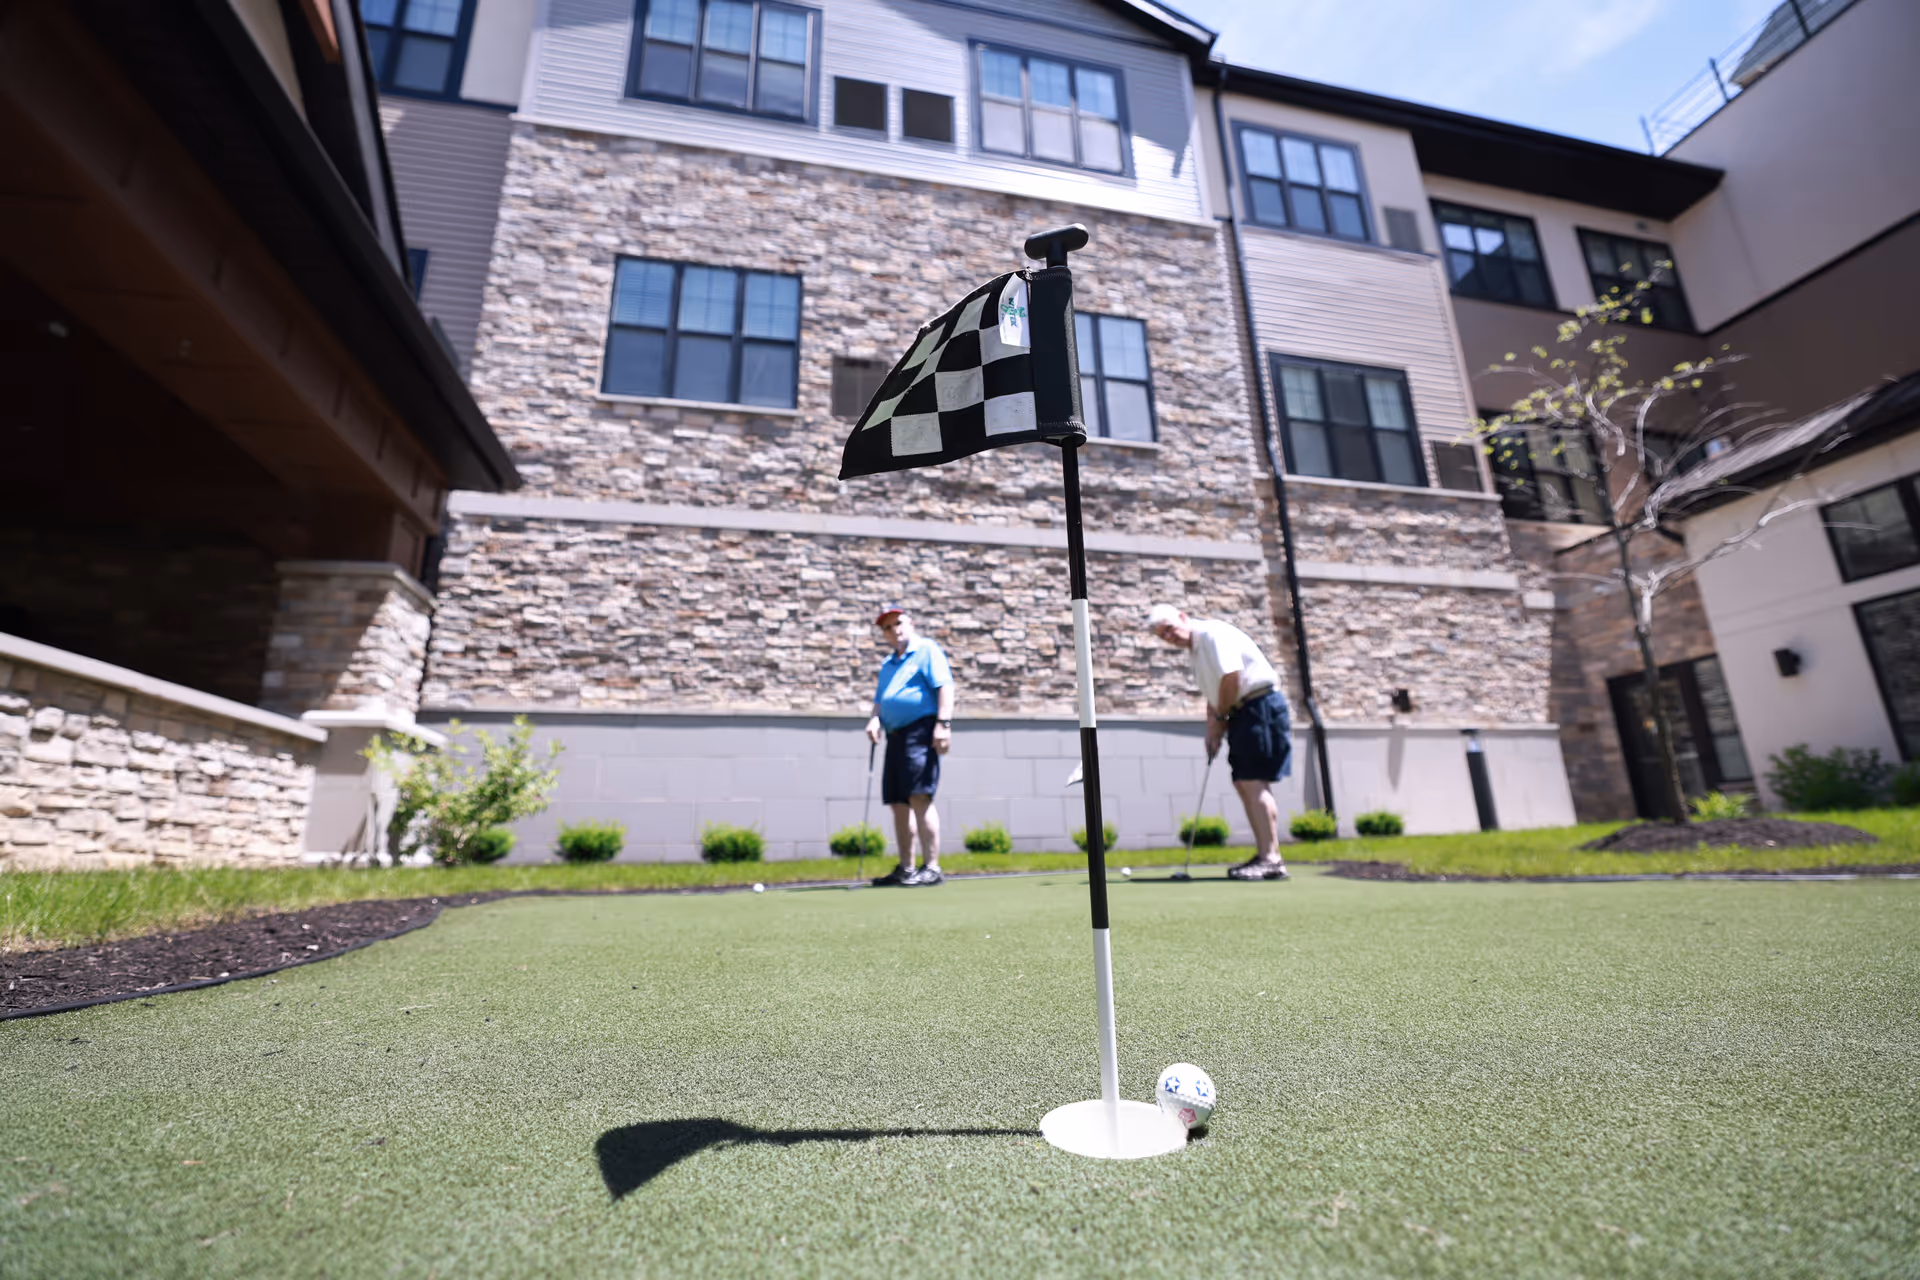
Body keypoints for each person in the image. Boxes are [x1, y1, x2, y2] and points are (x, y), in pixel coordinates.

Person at [1147, 604, 1292, 881]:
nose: (1169, 636)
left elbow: (1231, 678)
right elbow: (1215, 693)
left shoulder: (1212, 634)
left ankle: (1272, 859)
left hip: (1259, 707)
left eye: (1169, 628)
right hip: (1241, 711)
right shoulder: (1196, 650)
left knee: (1254, 781)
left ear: (1182, 617)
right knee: (1243, 782)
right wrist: (1212, 730)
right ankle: (1265, 854)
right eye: (1162, 635)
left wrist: (1222, 716)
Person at [864, 605, 954, 887]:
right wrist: (875, 720)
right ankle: (907, 868)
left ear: (910, 623)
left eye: (898, 623)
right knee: (898, 802)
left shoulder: (927, 650)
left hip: (921, 731)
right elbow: (881, 699)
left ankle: (932, 867)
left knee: (919, 797)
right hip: (895, 736)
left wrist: (943, 724)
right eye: (887, 628)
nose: (894, 630)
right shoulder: (888, 664)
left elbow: (945, 686)